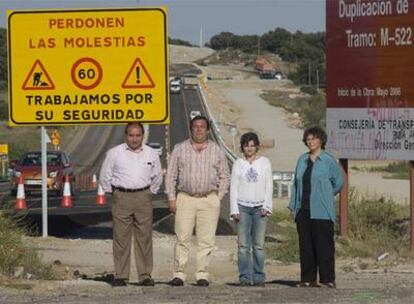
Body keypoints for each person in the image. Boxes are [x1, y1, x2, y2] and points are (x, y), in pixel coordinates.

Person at [166, 115, 230, 287]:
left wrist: (219, 197)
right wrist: (172, 198)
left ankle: (202, 274)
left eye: (202, 126)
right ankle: (179, 274)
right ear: (191, 129)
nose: (199, 129)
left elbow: (225, 175)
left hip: (209, 199)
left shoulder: (216, 150)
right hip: (185, 198)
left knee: (206, 240)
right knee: (182, 237)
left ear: (208, 130)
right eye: (196, 126)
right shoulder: (180, 149)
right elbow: (171, 175)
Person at [100, 122, 162, 287]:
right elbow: (105, 175)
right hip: (122, 197)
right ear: (126, 135)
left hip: (143, 197)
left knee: (144, 237)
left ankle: (145, 275)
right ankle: (121, 275)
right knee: (121, 237)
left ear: (142, 136)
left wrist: (150, 192)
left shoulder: (151, 153)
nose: (134, 139)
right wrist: (114, 193)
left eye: (138, 135)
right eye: (131, 135)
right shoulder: (114, 153)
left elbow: (157, 176)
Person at [288, 126, 343, 288]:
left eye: (313, 138)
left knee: (324, 246)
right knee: (306, 246)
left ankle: (327, 279)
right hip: (303, 209)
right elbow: (296, 184)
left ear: (321, 140)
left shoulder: (328, 160)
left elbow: (338, 182)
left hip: (322, 210)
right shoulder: (302, 160)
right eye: (308, 139)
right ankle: (307, 279)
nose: (310, 141)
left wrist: (326, 194)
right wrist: (293, 206)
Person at [230, 132, 273, 286]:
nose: (249, 148)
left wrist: (267, 206)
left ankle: (259, 276)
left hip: (259, 208)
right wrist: (234, 209)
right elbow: (234, 187)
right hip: (243, 207)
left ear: (257, 147)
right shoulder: (238, 163)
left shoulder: (265, 162)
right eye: (247, 145)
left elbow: (269, 185)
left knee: (259, 245)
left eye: (252, 145)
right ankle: (244, 277)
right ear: (242, 147)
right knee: (243, 245)